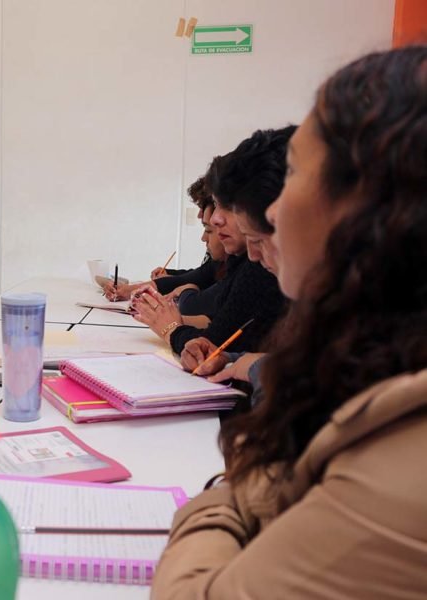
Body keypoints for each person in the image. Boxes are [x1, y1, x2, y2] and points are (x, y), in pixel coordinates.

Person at [152, 46, 427, 597]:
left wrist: (222, 496)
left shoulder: (403, 453)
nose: (272, 212)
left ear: (362, 209)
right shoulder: (371, 360)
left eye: (297, 173)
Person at [132, 129, 288, 355]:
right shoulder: (245, 261)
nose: (215, 221)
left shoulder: (259, 270)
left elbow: (213, 342)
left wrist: (172, 328)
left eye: (229, 206)